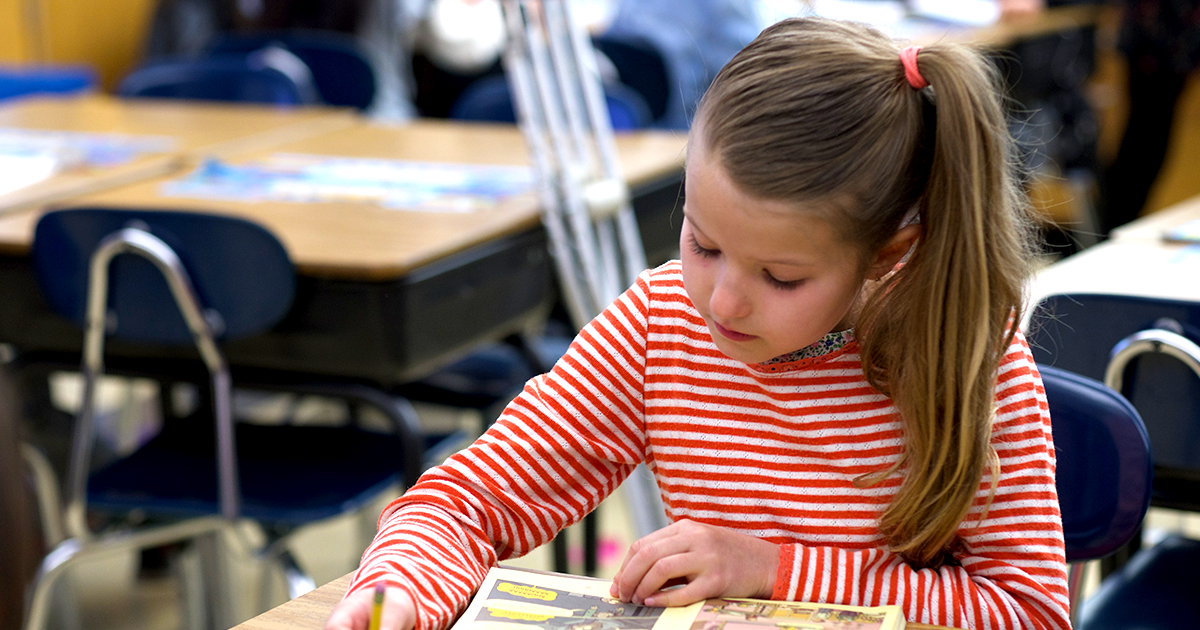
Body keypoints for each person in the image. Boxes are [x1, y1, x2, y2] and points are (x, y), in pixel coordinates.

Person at [326, 17, 1069, 630]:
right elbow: (467, 503)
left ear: (887, 253)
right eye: (701, 243)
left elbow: (1031, 613)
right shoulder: (660, 323)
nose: (722, 303)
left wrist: (771, 570)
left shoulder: (968, 355)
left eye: (781, 277)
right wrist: (398, 593)